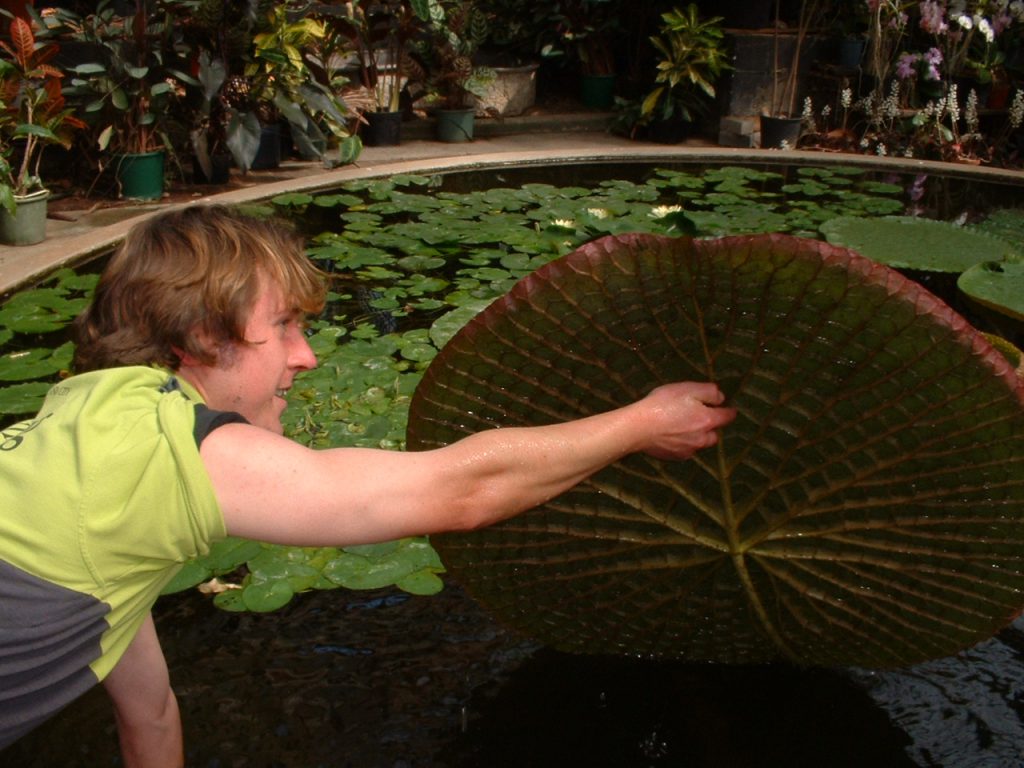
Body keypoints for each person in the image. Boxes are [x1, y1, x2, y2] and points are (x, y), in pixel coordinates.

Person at [0, 204, 735, 766]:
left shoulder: (86, 418)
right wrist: (642, 423)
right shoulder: (169, 452)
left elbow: (151, 712)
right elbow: (461, 493)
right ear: (200, 338)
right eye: (284, 325)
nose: (308, 356)